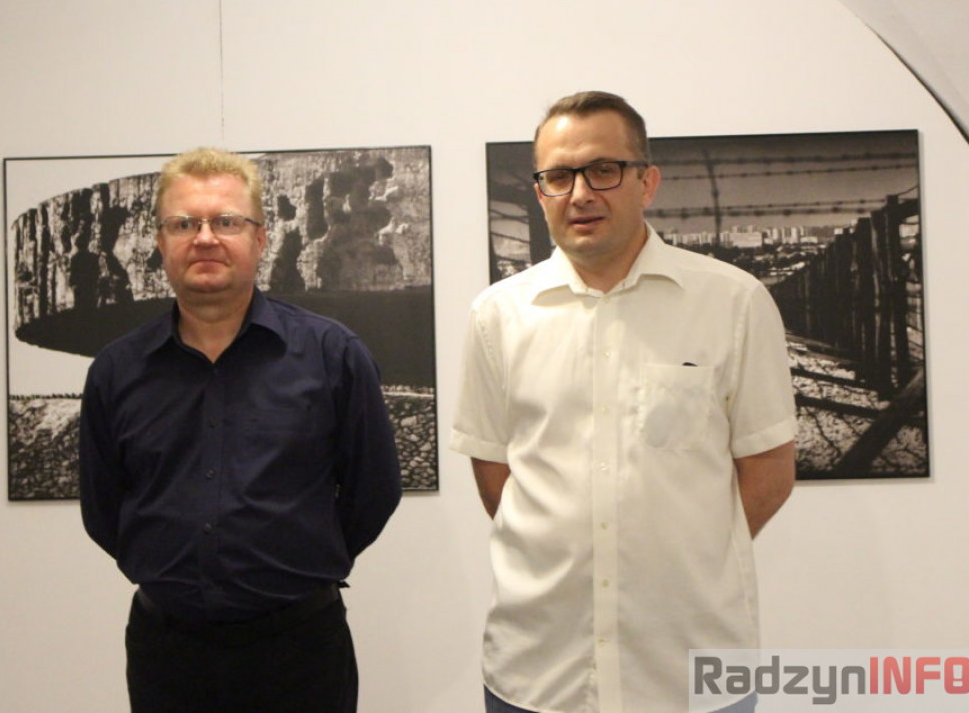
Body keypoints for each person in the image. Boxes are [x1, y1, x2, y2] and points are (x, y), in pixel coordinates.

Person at [451, 91, 797, 713]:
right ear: (540, 193)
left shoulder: (732, 303)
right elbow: (495, 473)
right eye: (558, 176)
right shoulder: (497, 316)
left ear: (647, 182)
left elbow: (769, 472)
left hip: (692, 669)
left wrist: (685, 549)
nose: (581, 193)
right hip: (537, 670)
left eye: (603, 170)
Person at [79, 147, 401, 713]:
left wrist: (295, 566)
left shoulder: (332, 355)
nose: (205, 238)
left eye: (226, 221)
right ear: (160, 242)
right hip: (166, 653)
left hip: (301, 651)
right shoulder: (116, 370)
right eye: (184, 224)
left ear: (260, 238)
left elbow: (373, 492)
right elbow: (104, 510)